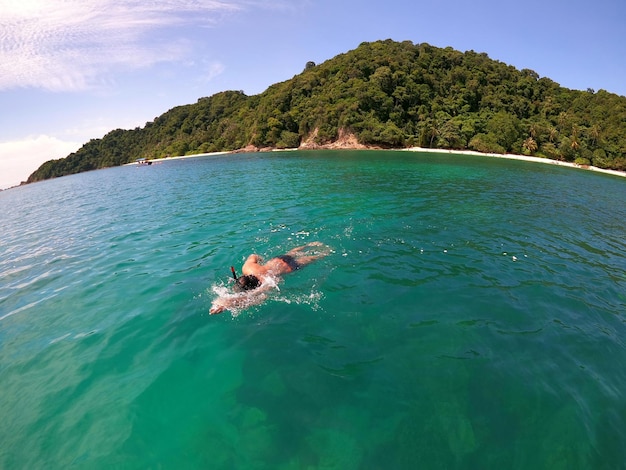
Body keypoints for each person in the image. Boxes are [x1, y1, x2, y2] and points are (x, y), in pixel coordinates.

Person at [210, 242, 330, 315]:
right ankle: (309, 245)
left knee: (312, 258)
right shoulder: (248, 268)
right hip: (277, 259)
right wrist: (261, 259)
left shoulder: (265, 282)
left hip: (290, 267)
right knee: (291, 252)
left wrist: (223, 305)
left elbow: (250, 298)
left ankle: (325, 253)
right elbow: (253, 255)